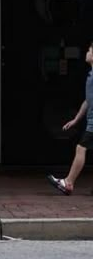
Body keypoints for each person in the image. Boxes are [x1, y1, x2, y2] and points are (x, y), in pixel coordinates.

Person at [47, 41, 93, 196]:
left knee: (81, 148)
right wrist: (75, 120)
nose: (86, 52)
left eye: (89, 50)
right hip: (91, 121)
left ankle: (68, 183)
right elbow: (87, 101)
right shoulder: (91, 75)